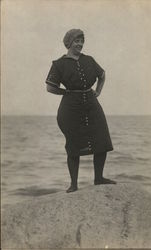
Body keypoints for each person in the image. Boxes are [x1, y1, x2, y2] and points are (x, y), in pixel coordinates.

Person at [45, 29, 116, 193]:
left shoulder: (89, 60)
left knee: (101, 139)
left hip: (92, 104)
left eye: (82, 41)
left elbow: (102, 75)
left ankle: (99, 178)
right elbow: (50, 87)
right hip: (70, 108)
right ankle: (73, 184)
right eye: (77, 41)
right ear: (68, 42)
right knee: (73, 143)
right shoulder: (59, 64)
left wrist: (98, 91)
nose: (80, 44)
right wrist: (66, 93)